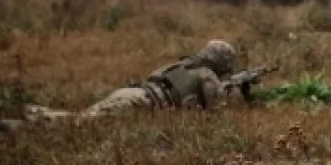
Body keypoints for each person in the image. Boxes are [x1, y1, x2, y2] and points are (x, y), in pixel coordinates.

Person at [16, 40, 243, 123]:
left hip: (130, 93)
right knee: (79, 123)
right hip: (139, 103)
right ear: (222, 62)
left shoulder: (184, 65)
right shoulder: (207, 76)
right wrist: (228, 91)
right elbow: (215, 115)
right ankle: (22, 122)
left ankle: (34, 113)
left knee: (81, 118)